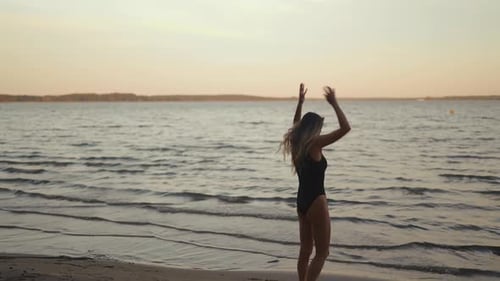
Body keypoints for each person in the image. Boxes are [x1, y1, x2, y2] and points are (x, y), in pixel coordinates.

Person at [280, 83, 350, 281]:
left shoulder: (297, 143)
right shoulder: (315, 143)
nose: (321, 130)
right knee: (321, 253)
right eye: (320, 127)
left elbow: (295, 123)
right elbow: (346, 128)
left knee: (305, 250)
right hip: (317, 202)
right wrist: (334, 103)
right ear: (314, 128)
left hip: (302, 201)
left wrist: (300, 102)